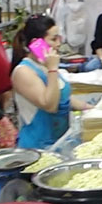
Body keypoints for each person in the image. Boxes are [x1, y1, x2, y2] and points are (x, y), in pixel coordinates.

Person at [10, 15, 89, 149]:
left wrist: (90, 109)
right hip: (37, 147)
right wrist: (52, 69)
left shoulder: (45, 65)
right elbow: (50, 105)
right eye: (53, 39)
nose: (58, 44)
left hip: (59, 142)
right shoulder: (23, 72)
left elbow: (64, 98)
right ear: (36, 43)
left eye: (59, 38)